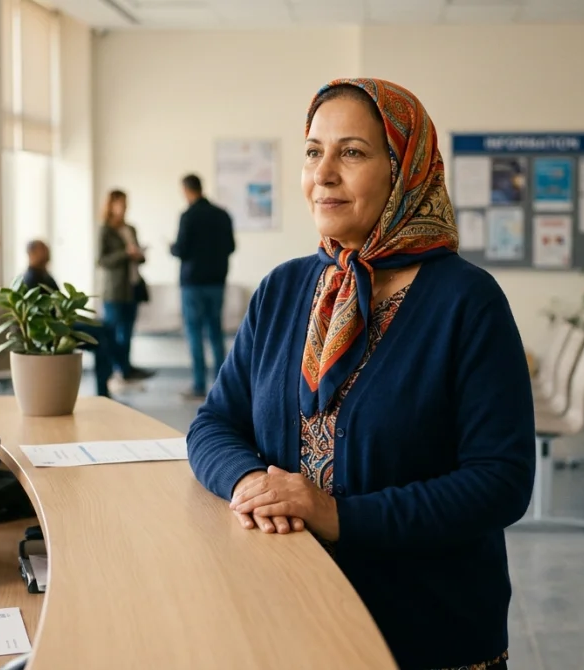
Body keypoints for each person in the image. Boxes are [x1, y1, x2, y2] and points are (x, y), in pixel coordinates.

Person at [185, 79, 535, 670]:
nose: (324, 174)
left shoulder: (467, 302)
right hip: (287, 618)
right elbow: (214, 422)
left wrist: (336, 514)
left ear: (404, 171)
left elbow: (500, 481)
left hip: (425, 634)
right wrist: (249, 483)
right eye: (313, 151)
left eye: (351, 152)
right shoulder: (283, 290)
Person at [20, 240, 113, 398]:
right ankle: (103, 390)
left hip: (61, 324)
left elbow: (60, 303)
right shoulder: (30, 279)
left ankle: (107, 384)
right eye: (42, 250)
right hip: (51, 331)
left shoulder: (45, 275)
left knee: (105, 329)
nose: (47, 253)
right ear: (32, 254)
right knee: (101, 337)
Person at [170, 173, 235, 400]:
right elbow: (231, 247)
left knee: (195, 333)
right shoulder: (222, 214)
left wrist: (172, 248)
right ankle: (222, 386)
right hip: (217, 282)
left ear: (187, 190)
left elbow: (181, 250)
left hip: (193, 283)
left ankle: (198, 385)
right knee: (215, 332)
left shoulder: (188, 216)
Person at [97, 191, 155, 382]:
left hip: (133, 287)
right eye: (119, 203)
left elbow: (139, 258)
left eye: (125, 203)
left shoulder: (130, 228)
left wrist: (139, 255)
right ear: (111, 205)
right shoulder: (105, 230)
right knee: (113, 334)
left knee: (128, 332)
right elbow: (102, 260)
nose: (123, 207)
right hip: (114, 290)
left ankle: (126, 369)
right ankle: (116, 370)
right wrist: (125, 253)